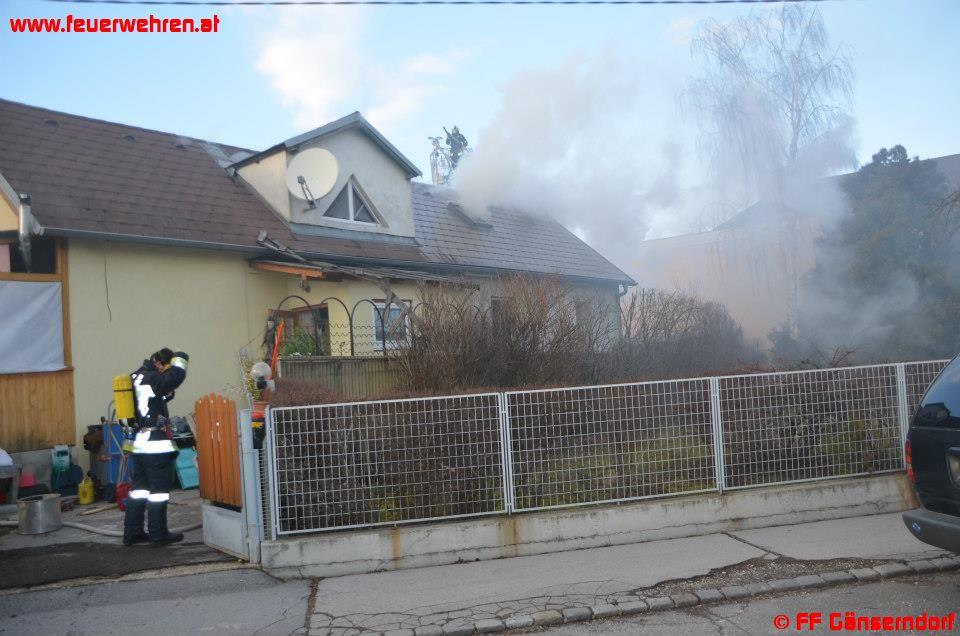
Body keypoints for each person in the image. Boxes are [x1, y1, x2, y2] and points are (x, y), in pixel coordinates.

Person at [123, 348, 190, 547]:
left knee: (139, 490)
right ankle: (158, 534)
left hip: (138, 444)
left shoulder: (134, 377)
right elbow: (175, 377)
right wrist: (181, 359)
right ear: (158, 362)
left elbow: (152, 399)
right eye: (164, 367)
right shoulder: (152, 378)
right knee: (158, 492)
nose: (164, 372)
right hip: (154, 445)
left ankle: (133, 533)